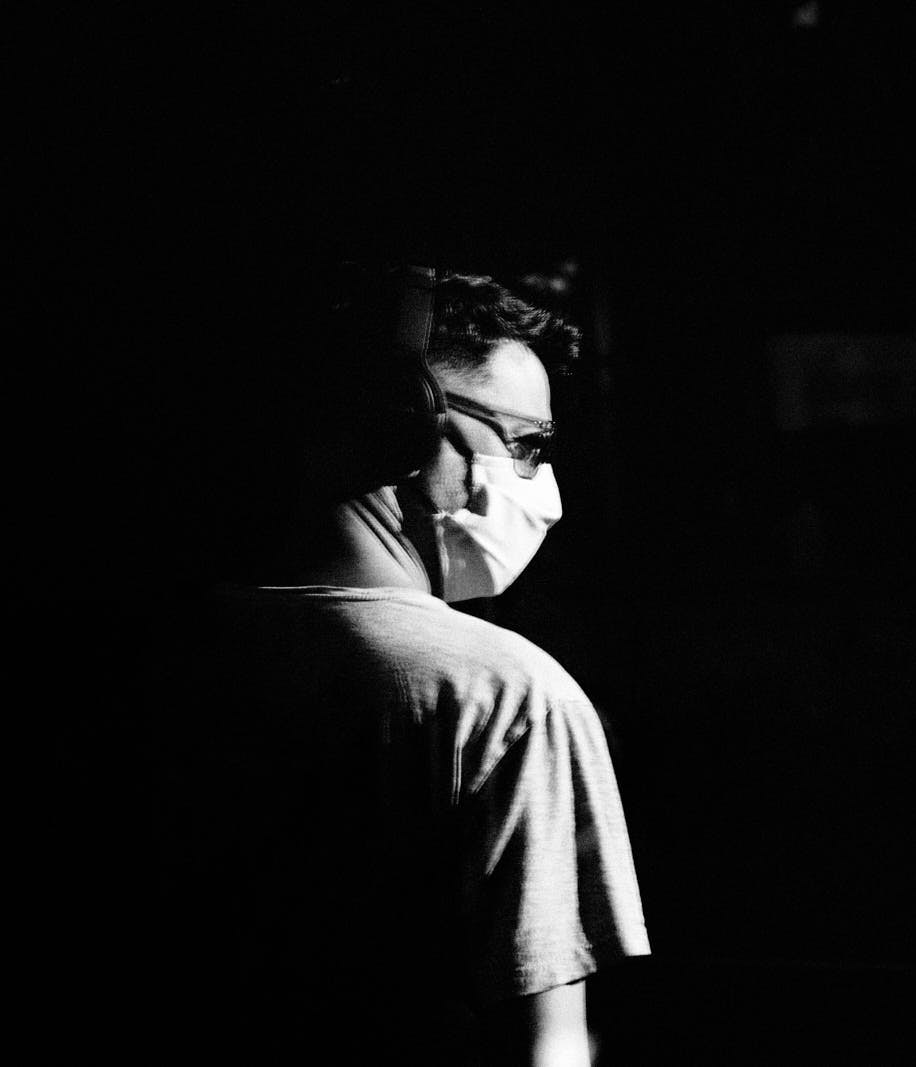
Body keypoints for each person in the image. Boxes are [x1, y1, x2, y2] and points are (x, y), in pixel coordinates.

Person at [174, 266, 650, 1066]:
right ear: (408, 421)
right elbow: (546, 1046)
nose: (549, 492)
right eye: (528, 446)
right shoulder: (503, 695)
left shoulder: (165, 647)